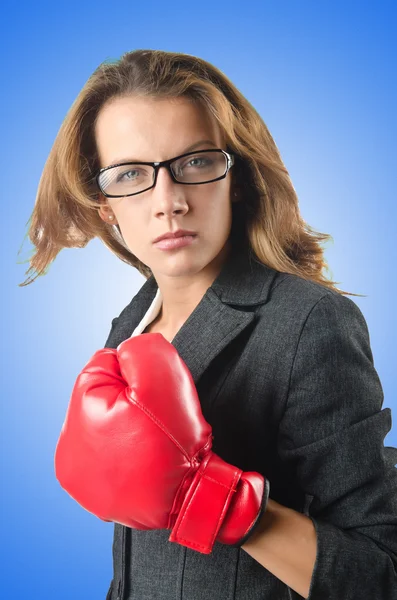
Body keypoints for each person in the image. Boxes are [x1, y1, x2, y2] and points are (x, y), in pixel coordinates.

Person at [21, 49, 397, 600]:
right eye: (130, 174)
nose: (167, 202)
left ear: (235, 178)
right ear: (106, 206)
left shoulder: (309, 324)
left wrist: (216, 499)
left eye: (195, 163)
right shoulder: (128, 328)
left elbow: (381, 576)